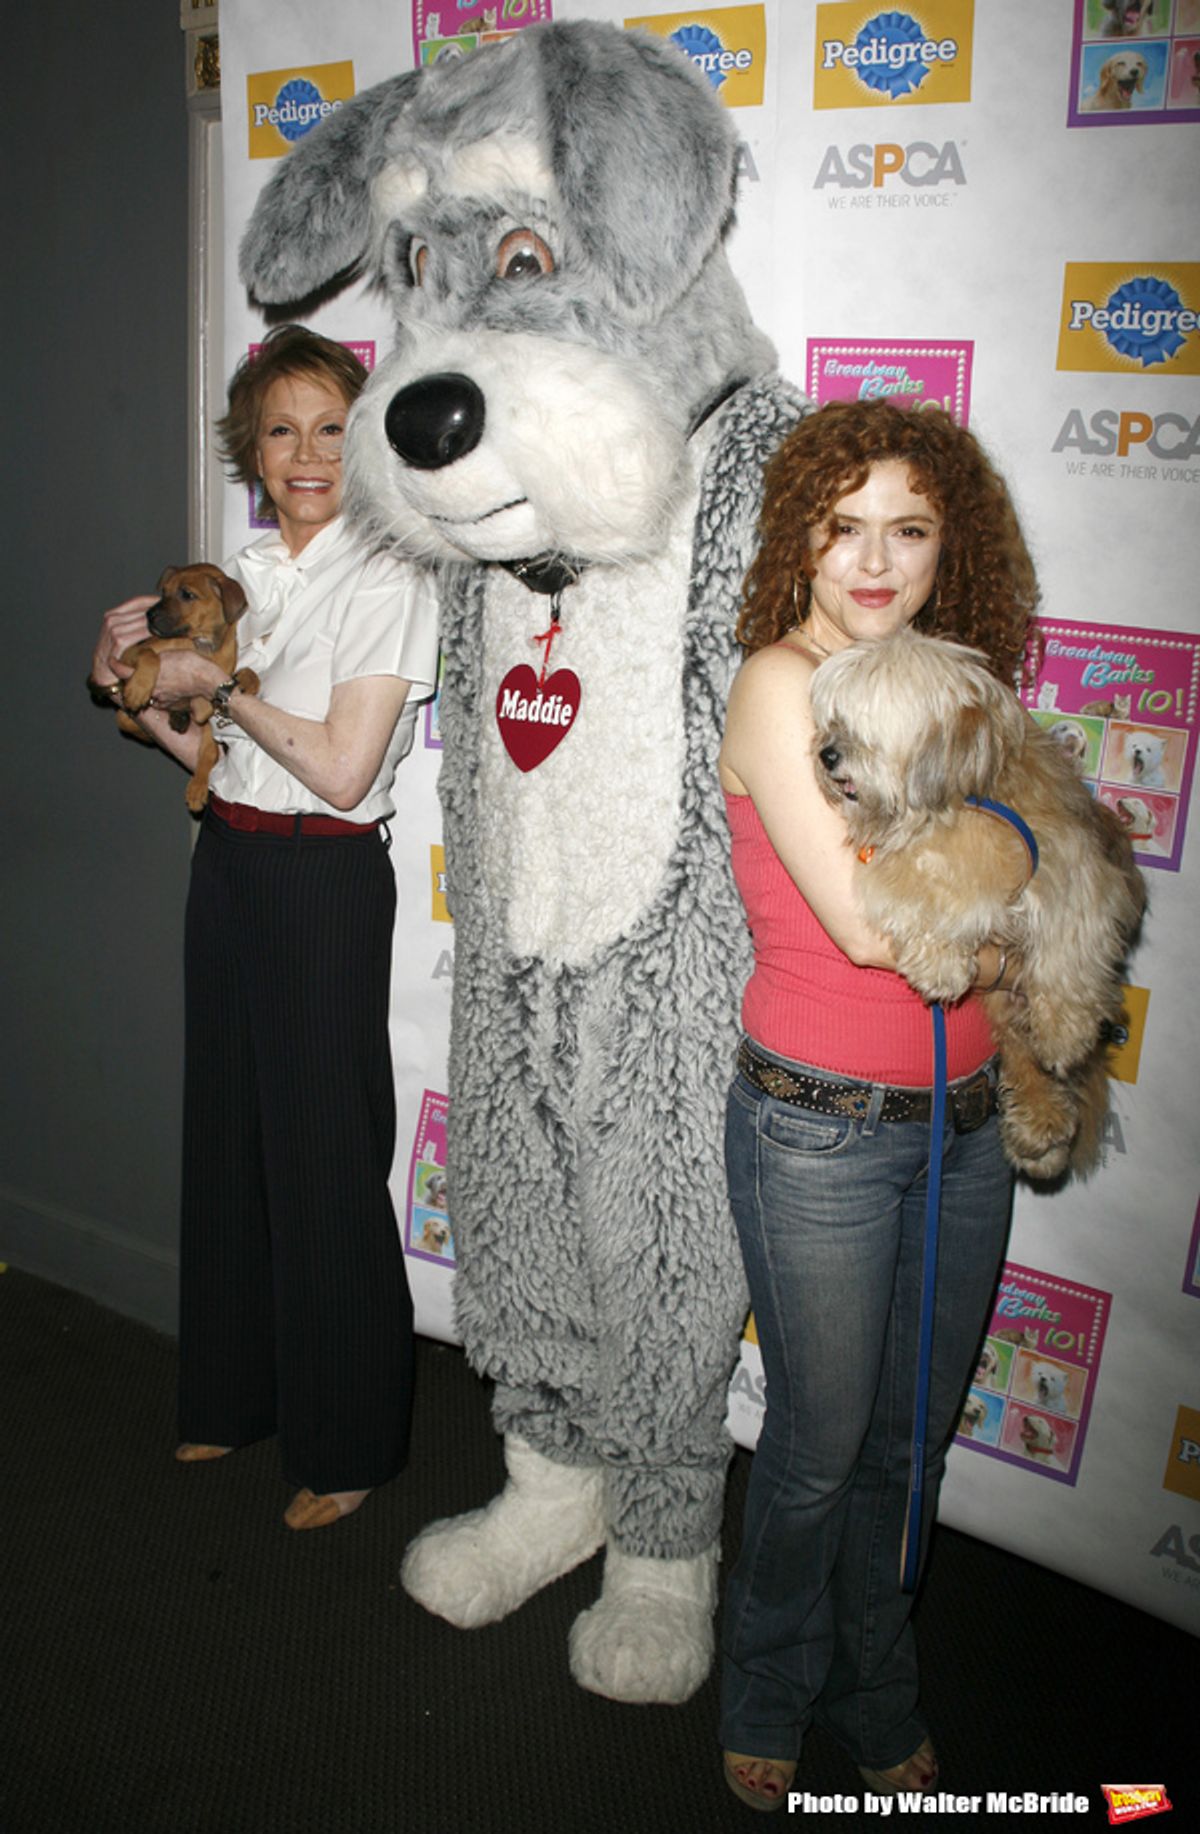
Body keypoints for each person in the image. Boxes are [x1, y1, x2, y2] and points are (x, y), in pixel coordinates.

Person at [717, 399, 1037, 1806]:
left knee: (908, 1444)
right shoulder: (779, 683)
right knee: (815, 1445)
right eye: (843, 525)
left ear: (945, 543)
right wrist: (1016, 914)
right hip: (818, 1127)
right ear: (800, 531)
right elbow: (866, 924)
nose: (873, 558)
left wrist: (1017, 916)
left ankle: (878, 1684)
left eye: (907, 527)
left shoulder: (957, 684)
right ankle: (770, 1688)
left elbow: (1026, 893)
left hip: (967, 1125)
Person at [89, 325, 439, 1530]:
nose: (305, 453)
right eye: (281, 430)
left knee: (326, 1162)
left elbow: (341, 771)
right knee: (229, 1138)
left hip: (323, 883)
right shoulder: (242, 573)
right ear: (252, 447)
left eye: (332, 428)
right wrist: (124, 688)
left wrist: (220, 685)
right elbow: (208, 750)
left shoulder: (388, 572)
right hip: (230, 862)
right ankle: (232, 1397)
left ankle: (349, 1442)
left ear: (367, 440)